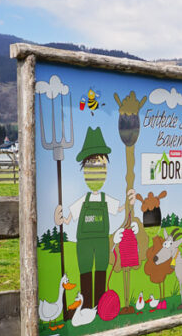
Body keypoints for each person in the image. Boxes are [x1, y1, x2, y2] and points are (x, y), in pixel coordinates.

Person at [54, 125, 134, 309]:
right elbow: (68, 219)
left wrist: (129, 200)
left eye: (101, 166)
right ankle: (86, 306)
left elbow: (121, 208)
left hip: (101, 242)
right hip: (84, 243)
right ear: (84, 170)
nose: (96, 171)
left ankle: (98, 307)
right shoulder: (83, 200)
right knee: (85, 273)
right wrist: (60, 219)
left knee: (100, 272)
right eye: (91, 166)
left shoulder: (106, 199)